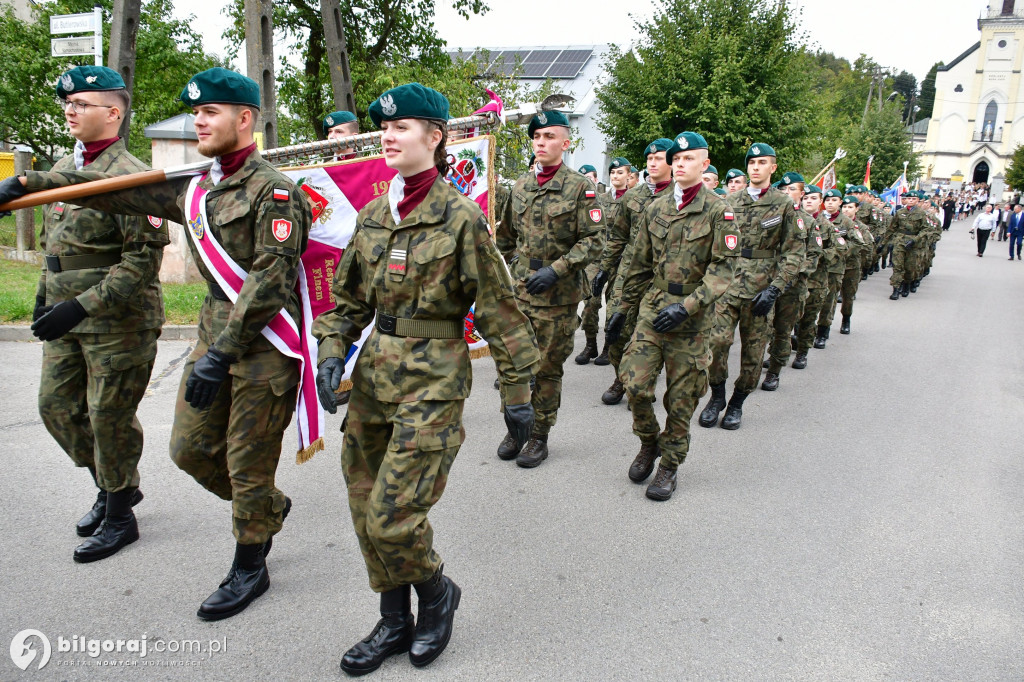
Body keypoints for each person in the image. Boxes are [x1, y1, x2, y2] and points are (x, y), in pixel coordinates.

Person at [2, 67, 314, 620]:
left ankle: (250, 562)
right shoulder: (197, 186)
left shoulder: (277, 193)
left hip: (263, 344)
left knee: (246, 463)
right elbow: (112, 195)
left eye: (209, 112)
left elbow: (270, 280)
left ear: (244, 119)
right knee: (189, 451)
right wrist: (29, 188)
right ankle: (265, 510)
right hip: (213, 336)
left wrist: (221, 355)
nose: (198, 121)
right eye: (195, 113)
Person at [312, 83, 540, 674]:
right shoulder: (372, 213)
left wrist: (518, 396)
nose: (387, 136)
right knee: (366, 507)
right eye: (383, 128)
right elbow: (345, 300)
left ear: (434, 138)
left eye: (402, 127)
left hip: (432, 382)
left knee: (394, 515)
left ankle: (437, 593)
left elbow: (500, 310)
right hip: (373, 380)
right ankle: (393, 621)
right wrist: (332, 351)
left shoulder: (461, 218)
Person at [26, 66, 163, 563]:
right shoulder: (64, 167)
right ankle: (113, 486)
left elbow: (142, 262)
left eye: (82, 103)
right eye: (68, 102)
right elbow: (53, 247)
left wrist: (79, 307)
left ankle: (120, 514)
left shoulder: (133, 176)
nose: (70, 109)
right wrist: (45, 299)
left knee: (109, 417)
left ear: (113, 112)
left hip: (117, 320)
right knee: (57, 408)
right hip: (64, 313)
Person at [612, 132, 737, 500]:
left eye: (688, 159)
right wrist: (621, 307)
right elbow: (638, 265)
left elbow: (723, 272)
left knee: (681, 401)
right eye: (676, 159)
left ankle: (669, 465)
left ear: (703, 161)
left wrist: (687, 307)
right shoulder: (657, 207)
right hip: (654, 306)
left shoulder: (719, 211)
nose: (680, 164)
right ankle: (649, 442)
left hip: (693, 318)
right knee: (634, 386)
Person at [495, 110, 602, 467]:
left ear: (565, 143)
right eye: (537, 136)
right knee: (513, 365)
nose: (541, 142)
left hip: (558, 297)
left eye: (549, 136)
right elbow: (506, 236)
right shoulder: (521, 186)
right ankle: (516, 428)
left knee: (547, 369)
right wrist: (513, 270)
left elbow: (594, 240)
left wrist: (557, 271)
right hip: (522, 293)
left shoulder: (580, 188)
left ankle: (539, 435)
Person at [697, 142, 804, 430]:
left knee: (754, 354)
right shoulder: (731, 202)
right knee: (716, 343)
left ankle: (737, 403)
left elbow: (794, 251)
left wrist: (775, 289)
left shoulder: (783, 204)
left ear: (773, 167)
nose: (756, 168)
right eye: (752, 163)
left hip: (761, 289)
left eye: (762, 163)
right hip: (728, 286)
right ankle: (717, 396)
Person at [593, 138, 675, 405]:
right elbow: (618, 237)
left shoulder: (679, 195)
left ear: (672, 161)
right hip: (629, 272)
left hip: (662, 276)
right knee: (614, 329)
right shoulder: (633, 196)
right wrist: (604, 269)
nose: (652, 163)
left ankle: (643, 382)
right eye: (649, 159)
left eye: (659, 158)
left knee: (651, 332)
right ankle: (621, 377)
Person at [761, 171, 820, 391]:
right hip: (767, 282)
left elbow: (813, 256)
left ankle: (774, 371)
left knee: (783, 329)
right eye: (783, 189)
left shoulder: (808, 222)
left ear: (802, 194)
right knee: (764, 327)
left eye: (791, 189)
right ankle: (766, 358)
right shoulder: (770, 217)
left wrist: (791, 274)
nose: (786, 193)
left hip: (792, 286)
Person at [576, 157, 629, 366]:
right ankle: (590, 344)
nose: (616, 176)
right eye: (613, 173)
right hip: (597, 258)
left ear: (628, 175)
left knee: (615, 306)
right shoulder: (600, 200)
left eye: (620, 173)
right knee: (590, 302)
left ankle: (609, 347)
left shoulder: (632, 200)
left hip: (622, 260)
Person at [793, 185, 834, 368]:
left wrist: (818, 255)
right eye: (806, 198)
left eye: (813, 198)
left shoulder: (827, 226)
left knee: (808, 320)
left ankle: (802, 352)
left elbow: (838, 249)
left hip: (815, 282)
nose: (809, 201)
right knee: (783, 321)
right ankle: (778, 353)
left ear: (820, 202)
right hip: (792, 279)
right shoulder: (794, 219)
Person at [813, 189, 850, 348]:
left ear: (840, 202)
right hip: (813, 268)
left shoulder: (846, 222)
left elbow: (850, 245)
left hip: (834, 268)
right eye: (827, 200)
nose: (830, 203)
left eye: (834, 200)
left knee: (828, 301)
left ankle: (823, 332)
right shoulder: (812, 219)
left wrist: (827, 255)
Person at [888, 191, 928, 299]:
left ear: (917, 200)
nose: (910, 201)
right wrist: (886, 243)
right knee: (897, 266)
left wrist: (915, 240)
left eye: (913, 199)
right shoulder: (900, 212)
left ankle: (906, 285)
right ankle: (896, 289)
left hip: (914, 243)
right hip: (900, 241)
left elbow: (925, 229)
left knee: (910, 267)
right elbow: (892, 228)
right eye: (909, 198)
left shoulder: (922, 213)